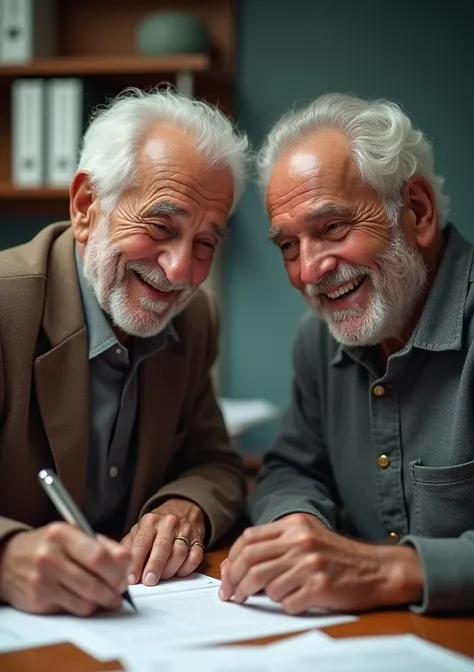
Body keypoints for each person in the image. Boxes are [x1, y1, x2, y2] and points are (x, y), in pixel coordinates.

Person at [220, 93, 474, 615]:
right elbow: (291, 468)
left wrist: (385, 571)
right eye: (288, 246)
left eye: (333, 227)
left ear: (418, 211)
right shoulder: (317, 339)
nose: (309, 270)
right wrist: (298, 526)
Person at [0, 87, 249, 616]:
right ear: (88, 207)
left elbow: (216, 463)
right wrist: (5, 558)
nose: (181, 271)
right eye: (160, 226)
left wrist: (186, 507)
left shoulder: (195, 317)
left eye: (205, 243)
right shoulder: (5, 306)